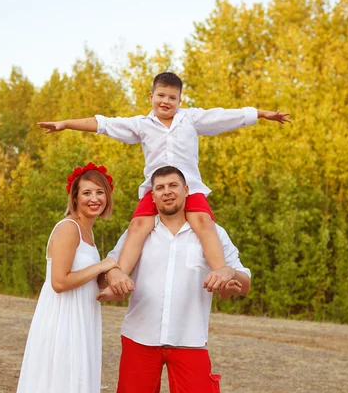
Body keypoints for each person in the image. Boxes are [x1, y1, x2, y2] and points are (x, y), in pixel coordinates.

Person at [98, 166, 251, 393]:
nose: (166, 192)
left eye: (173, 186)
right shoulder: (138, 232)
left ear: (186, 190)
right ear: (151, 195)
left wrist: (230, 274)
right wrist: (112, 278)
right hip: (139, 338)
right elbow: (107, 272)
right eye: (159, 187)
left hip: (189, 341)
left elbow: (244, 283)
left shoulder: (209, 232)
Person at [38, 71, 289, 296]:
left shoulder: (191, 119)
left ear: (180, 100)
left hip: (189, 186)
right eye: (161, 95)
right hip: (156, 189)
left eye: (172, 97)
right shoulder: (142, 124)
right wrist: (66, 124)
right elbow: (104, 124)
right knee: (138, 225)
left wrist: (261, 114)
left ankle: (220, 271)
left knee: (202, 222)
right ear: (151, 96)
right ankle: (119, 279)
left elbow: (224, 117)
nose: (165, 102)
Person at [3, 163, 120, 393]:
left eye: (99, 192)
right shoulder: (68, 228)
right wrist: (104, 266)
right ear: (74, 197)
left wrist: (107, 281)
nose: (94, 198)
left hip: (81, 325)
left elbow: (84, 277)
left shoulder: (88, 232)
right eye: (87, 192)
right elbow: (59, 282)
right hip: (62, 328)